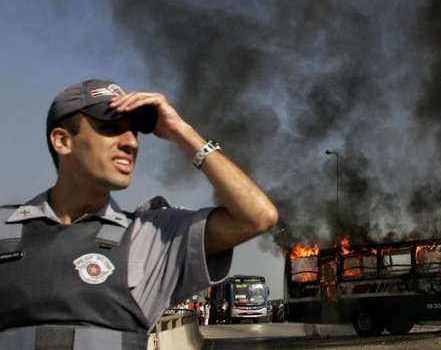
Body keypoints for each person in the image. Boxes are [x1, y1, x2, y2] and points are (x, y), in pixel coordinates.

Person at [0, 79, 278, 349]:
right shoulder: (5, 228)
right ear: (62, 141)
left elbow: (257, 217)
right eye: (110, 128)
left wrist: (182, 132)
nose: (131, 142)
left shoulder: (151, 235)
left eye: (134, 131)